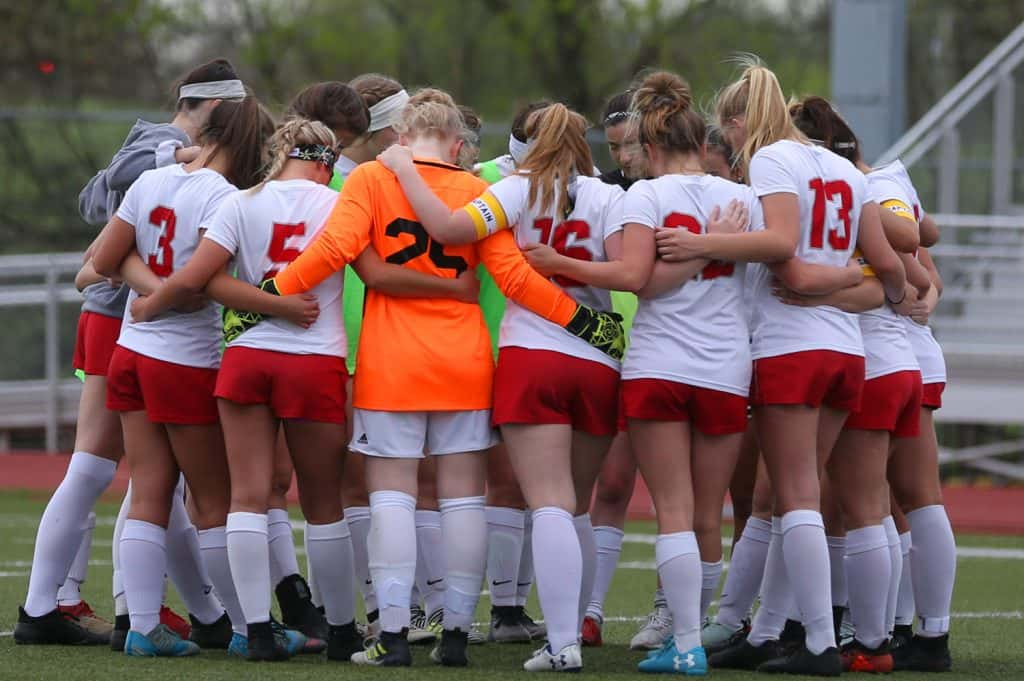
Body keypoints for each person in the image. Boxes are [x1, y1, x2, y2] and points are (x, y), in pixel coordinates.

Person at [261, 88, 623, 669]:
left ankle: (396, 634)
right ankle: (456, 632)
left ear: (403, 138)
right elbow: (515, 278)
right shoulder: (476, 189)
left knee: (393, 497)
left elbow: (332, 249)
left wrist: (269, 294)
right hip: (464, 361)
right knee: (461, 499)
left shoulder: (374, 179)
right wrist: (584, 322)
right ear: (458, 145)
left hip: (391, 362)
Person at [661, 58, 906, 676]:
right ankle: (817, 635)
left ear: (742, 120)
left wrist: (700, 244)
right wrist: (862, 280)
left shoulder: (773, 157)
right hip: (846, 346)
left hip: (792, 344)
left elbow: (781, 250)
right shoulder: (845, 167)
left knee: (796, 496)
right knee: (798, 497)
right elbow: (887, 267)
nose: (732, 147)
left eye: (731, 132)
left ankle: (821, 644)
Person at [381, 96, 635, 672]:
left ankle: (563, 643)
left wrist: (402, 170)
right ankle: (580, 624)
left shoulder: (516, 189)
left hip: (534, 353)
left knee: (548, 503)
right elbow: (629, 275)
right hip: (598, 356)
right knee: (575, 509)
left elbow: (445, 227)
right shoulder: (609, 195)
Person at [525, 71, 756, 675]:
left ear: (651, 149)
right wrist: (716, 245)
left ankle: (686, 645)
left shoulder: (644, 197)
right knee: (709, 514)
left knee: (673, 512)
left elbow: (637, 280)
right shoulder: (747, 201)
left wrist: (557, 263)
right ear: (703, 143)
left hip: (660, 363)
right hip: (728, 366)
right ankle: (693, 638)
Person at [13, 58, 239, 650]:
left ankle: (198, 613)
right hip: (134, 322)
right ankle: (50, 604)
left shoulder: (149, 151)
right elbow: (110, 204)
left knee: (153, 479)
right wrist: (174, 158)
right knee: (106, 469)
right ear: (215, 108)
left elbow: (94, 199)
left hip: (120, 318)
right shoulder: (164, 147)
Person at [91, 92, 275, 658]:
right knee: (213, 500)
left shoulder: (153, 181)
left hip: (129, 353)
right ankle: (249, 629)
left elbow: (103, 259)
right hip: (185, 360)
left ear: (209, 132)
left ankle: (143, 627)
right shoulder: (228, 197)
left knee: (147, 491)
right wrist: (165, 297)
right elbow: (198, 284)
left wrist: (147, 295)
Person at [784, 96, 928, 673]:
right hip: (894, 361)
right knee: (885, 506)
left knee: (865, 505)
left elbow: (906, 272)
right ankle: (881, 629)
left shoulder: (845, 191)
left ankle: (873, 639)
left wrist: (818, 291)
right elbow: (916, 263)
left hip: (869, 360)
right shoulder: (859, 187)